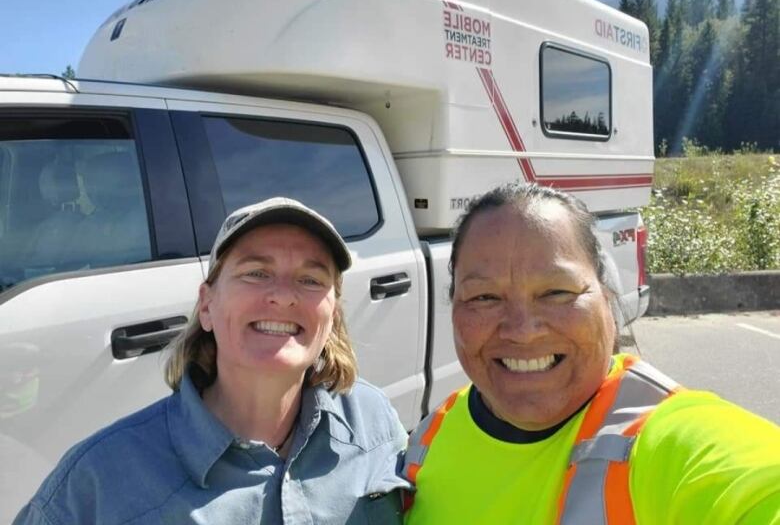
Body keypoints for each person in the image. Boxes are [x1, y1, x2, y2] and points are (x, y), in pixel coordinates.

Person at [14, 197, 409, 524]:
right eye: (256, 273)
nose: (284, 296)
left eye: (310, 280)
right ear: (207, 305)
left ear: (333, 315)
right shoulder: (100, 479)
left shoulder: (374, 423)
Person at [403, 182, 780, 524]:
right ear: (453, 309)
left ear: (607, 298)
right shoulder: (429, 438)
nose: (521, 330)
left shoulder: (663, 438)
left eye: (556, 292)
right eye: (485, 297)